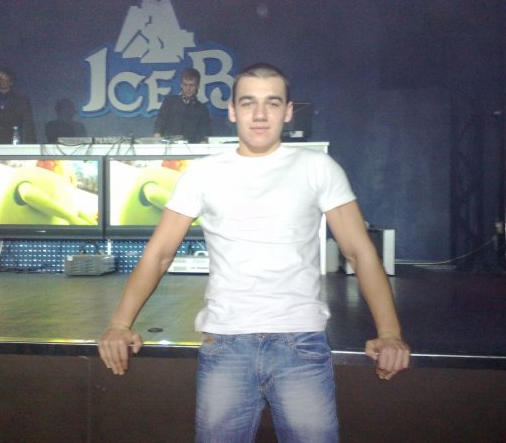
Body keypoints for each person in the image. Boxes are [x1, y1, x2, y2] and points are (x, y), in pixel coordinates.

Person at [99, 63, 410, 442]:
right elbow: (160, 252)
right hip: (226, 342)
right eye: (248, 103)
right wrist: (120, 325)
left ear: (288, 111)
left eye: (272, 103)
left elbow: (360, 252)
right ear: (232, 111)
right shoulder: (203, 173)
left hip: (301, 341)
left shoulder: (318, 168)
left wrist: (389, 333)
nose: (260, 114)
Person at [0, 67, 36, 144]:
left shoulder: (20, 99)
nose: (0, 80)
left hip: (13, 140)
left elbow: (28, 122)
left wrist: (29, 144)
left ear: (11, 81)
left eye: (4, 77)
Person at [153, 67, 211, 143]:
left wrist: (201, 145)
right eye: (185, 85)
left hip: (192, 148)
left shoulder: (202, 109)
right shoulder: (169, 102)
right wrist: (157, 144)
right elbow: (159, 125)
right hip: (169, 147)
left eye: (191, 85)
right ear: (181, 85)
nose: (188, 88)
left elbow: (205, 134)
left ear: (198, 86)